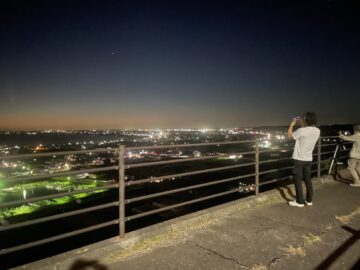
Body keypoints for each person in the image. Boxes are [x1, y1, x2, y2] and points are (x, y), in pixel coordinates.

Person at [287, 112, 320, 207]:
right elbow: (307, 129)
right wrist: (301, 122)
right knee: (308, 179)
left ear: (306, 120)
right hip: (308, 159)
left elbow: (290, 136)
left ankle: (299, 201)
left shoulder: (302, 131)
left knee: (297, 179)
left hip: (298, 159)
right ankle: (309, 200)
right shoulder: (317, 130)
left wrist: (292, 124)